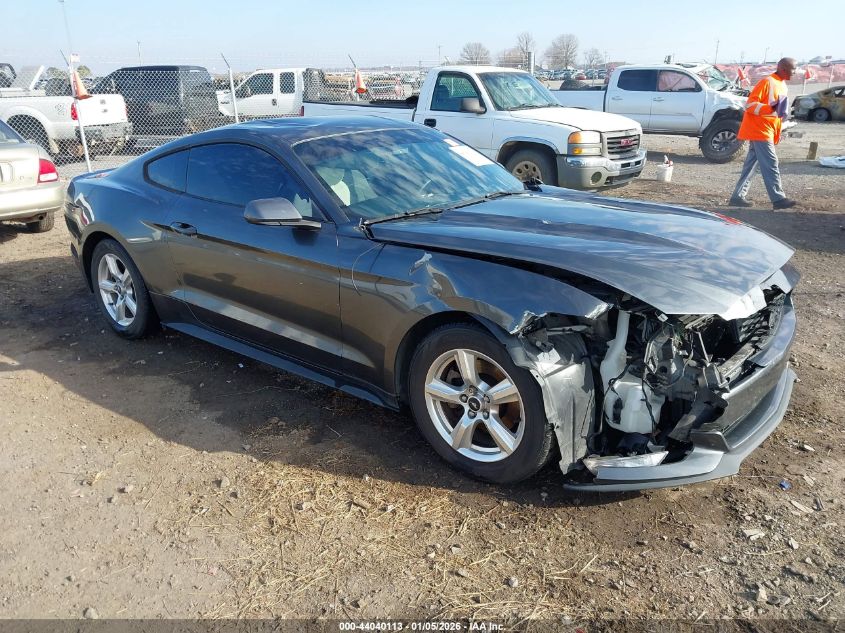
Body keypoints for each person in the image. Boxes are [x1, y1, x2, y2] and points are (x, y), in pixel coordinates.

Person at [729, 57, 797, 210]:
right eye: (793, 69)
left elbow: (778, 113)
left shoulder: (782, 85)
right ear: (783, 69)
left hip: (766, 130)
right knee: (771, 163)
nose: (795, 72)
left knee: (752, 164)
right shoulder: (767, 82)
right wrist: (771, 109)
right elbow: (750, 105)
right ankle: (778, 199)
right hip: (760, 130)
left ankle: (737, 197)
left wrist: (778, 127)